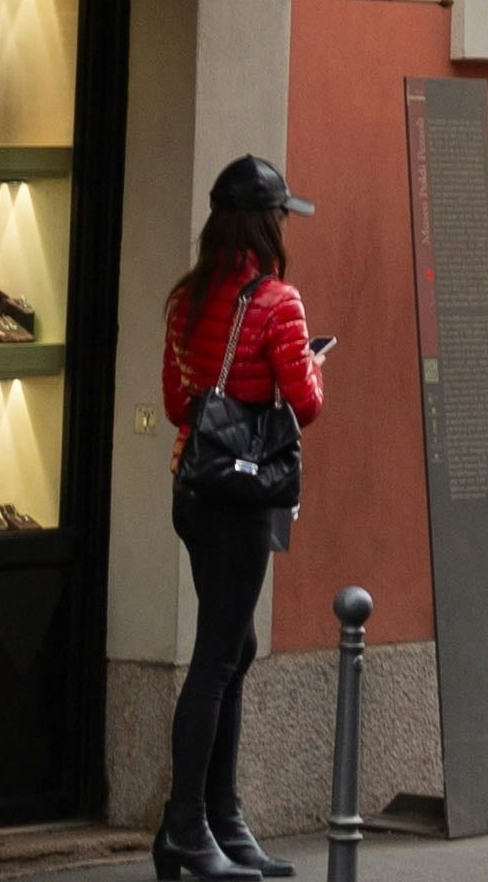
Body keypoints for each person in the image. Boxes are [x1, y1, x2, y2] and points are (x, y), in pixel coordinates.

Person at [157, 157, 326, 881]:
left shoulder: (186, 298)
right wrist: (313, 366)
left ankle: (221, 820)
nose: (287, 225)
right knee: (217, 658)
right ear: (266, 223)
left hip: (194, 491)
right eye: (283, 214)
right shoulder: (278, 302)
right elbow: (306, 402)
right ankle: (186, 829)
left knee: (237, 645)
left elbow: (175, 403)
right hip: (243, 496)